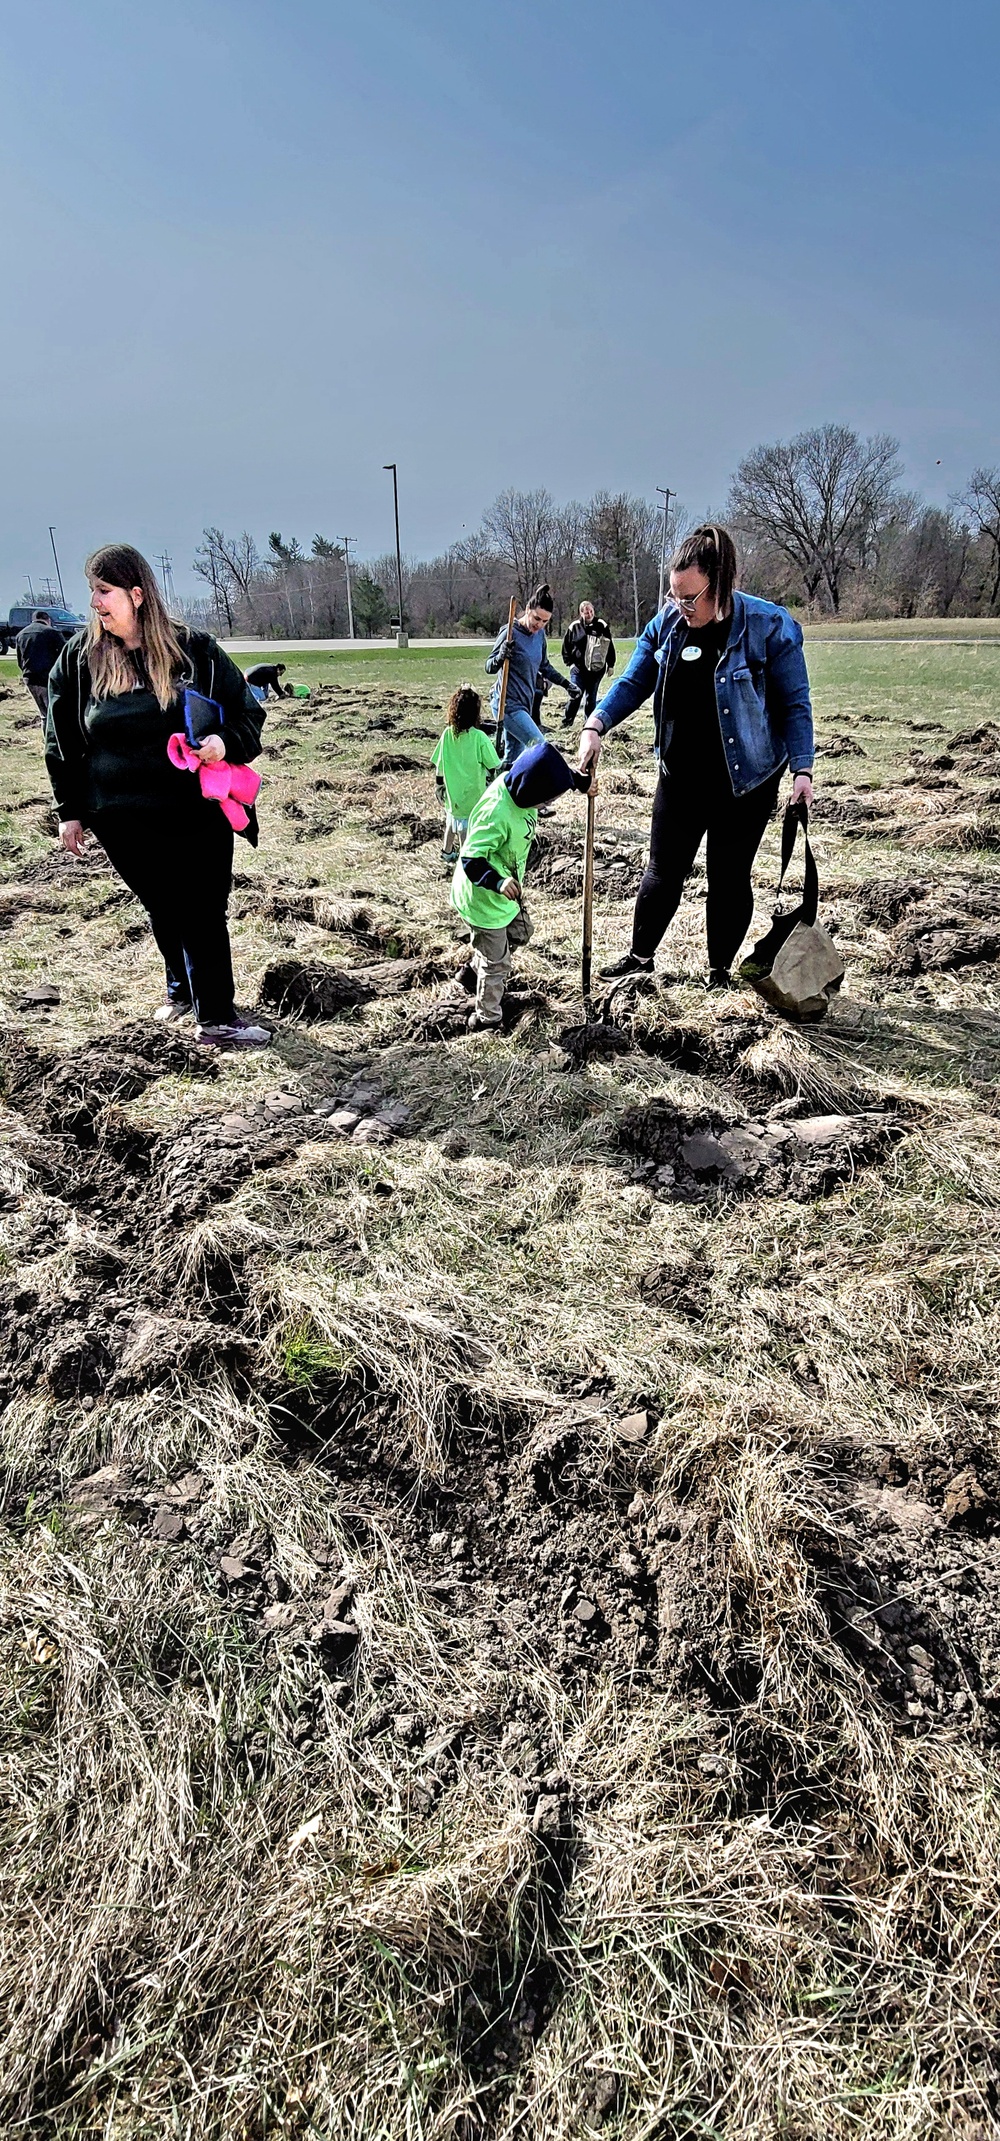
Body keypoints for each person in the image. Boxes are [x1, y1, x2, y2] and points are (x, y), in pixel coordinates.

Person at [44, 543, 272, 1047]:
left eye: (104, 591)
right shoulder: (78, 661)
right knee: (165, 906)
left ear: (137, 593)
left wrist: (223, 742)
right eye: (93, 593)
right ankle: (182, 991)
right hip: (124, 817)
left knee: (203, 908)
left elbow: (248, 715)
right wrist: (70, 811)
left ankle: (215, 1016)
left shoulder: (196, 650)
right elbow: (60, 743)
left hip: (198, 809)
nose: (96, 603)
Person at [577, 524, 814, 988]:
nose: (681, 608)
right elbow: (633, 681)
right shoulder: (667, 625)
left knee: (728, 879)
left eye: (690, 598)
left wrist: (802, 768)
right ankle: (640, 957)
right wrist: (595, 724)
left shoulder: (768, 627)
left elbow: (795, 702)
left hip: (745, 782)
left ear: (721, 582)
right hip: (680, 775)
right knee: (662, 871)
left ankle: (718, 972)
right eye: (674, 596)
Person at [451, 739, 593, 1031]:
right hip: (483, 897)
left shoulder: (521, 780)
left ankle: (471, 973)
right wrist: (498, 881)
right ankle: (486, 1019)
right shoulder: (496, 814)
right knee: (497, 964)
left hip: (506, 892)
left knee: (521, 931)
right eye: (545, 802)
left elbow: (557, 772)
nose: (547, 806)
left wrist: (582, 782)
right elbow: (470, 858)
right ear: (533, 791)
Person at [485, 585, 573, 768]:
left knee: (512, 761)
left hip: (525, 706)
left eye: (545, 621)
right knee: (540, 748)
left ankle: (494, 787)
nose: (539, 625)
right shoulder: (510, 632)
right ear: (527, 610)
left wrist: (566, 684)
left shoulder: (540, 636)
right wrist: (501, 655)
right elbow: (489, 667)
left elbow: (545, 666)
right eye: (536, 618)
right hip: (507, 706)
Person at [431, 685, 501, 867]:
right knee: (466, 832)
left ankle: (446, 852)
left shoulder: (447, 735)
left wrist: (439, 785)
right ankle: (465, 862)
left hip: (452, 795)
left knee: (451, 821)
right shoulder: (479, 738)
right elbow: (494, 764)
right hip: (473, 798)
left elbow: (438, 764)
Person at [561, 600, 616, 729]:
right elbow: (566, 648)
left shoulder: (602, 625)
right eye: (586, 612)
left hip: (596, 670)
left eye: (591, 611)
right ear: (581, 613)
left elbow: (609, 646)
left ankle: (589, 725)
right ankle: (567, 722)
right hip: (578, 670)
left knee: (591, 698)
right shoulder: (574, 627)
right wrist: (570, 664)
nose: (589, 614)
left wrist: (611, 664)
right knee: (575, 694)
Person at [16, 609, 66, 722]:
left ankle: (46, 737)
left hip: (29, 679)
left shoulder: (21, 634)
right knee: (54, 715)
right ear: (47, 620)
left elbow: (20, 661)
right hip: (48, 679)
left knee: (44, 714)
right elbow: (64, 656)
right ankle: (54, 738)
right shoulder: (51, 632)